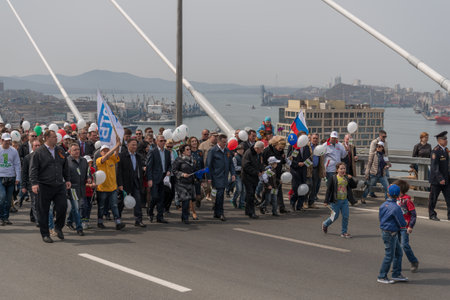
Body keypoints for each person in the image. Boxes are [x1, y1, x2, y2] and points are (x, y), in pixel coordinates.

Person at [30, 130, 71, 243]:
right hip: (44, 185)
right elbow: (33, 169)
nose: (56, 139)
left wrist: (67, 179)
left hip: (59, 185)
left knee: (62, 207)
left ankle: (58, 228)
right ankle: (45, 234)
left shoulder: (60, 150)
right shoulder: (39, 152)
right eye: (53, 137)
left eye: (56, 137)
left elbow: (65, 166)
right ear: (47, 138)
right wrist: (34, 183)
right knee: (44, 211)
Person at [377, 184, 408, 284]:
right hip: (391, 233)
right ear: (398, 195)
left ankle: (396, 273)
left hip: (385, 231)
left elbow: (380, 218)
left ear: (388, 194)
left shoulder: (383, 205)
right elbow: (402, 223)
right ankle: (382, 276)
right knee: (389, 255)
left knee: (398, 253)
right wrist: (405, 224)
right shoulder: (396, 208)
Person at [95, 136, 125, 230]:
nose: (106, 151)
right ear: (101, 152)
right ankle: (100, 221)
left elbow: (115, 154)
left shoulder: (112, 159)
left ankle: (118, 222)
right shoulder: (99, 160)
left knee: (114, 205)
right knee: (101, 206)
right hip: (102, 188)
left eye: (107, 150)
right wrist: (116, 145)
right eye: (104, 150)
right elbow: (106, 156)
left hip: (112, 187)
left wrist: (118, 145)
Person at [322, 162, 356, 238]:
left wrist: (351, 179)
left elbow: (354, 186)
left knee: (346, 216)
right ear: (337, 170)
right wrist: (326, 201)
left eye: (344, 168)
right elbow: (329, 190)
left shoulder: (346, 177)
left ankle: (344, 232)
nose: (343, 170)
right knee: (334, 217)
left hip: (345, 201)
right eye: (341, 169)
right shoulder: (333, 178)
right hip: (335, 201)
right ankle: (325, 224)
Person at [117, 138, 146, 227]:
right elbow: (119, 171)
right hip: (125, 183)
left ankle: (138, 220)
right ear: (128, 145)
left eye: (136, 145)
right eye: (132, 145)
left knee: (137, 200)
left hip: (136, 182)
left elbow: (140, 169)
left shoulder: (138, 156)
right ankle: (118, 219)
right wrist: (120, 184)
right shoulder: (122, 156)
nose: (134, 147)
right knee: (121, 202)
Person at [206, 134, 235, 221]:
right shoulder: (213, 151)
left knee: (219, 195)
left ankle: (216, 212)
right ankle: (220, 213)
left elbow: (231, 164)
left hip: (224, 176)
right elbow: (208, 165)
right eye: (223, 142)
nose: (225, 144)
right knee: (220, 194)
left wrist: (233, 174)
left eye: (226, 142)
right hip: (216, 176)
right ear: (218, 142)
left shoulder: (227, 151)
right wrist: (209, 177)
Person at [393, 179, 419, 273]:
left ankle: (414, 261)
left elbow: (414, 214)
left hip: (405, 227)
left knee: (404, 245)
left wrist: (411, 226)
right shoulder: (395, 199)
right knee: (395, 246)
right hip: (396, 226)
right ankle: (396, 266)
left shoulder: (407, 201)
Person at [146, 135, 171, 223]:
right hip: (154, 177)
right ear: (156, 141)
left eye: (164, 140)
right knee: (155, 197)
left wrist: (168, 171)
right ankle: (150, 212)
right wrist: (149, 179)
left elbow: (169, 165)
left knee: (161, 198)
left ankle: (159, 216)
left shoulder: (167, 152)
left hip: (163, 177)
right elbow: (149, 166)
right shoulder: (152, 151)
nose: (163, 142)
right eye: (161, 141)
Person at [172, 144, 199, 224]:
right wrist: (182, 174)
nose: (189, 150)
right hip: (181, 183)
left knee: (190, 199)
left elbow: (195, 169)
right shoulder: (179, 160)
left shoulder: (192, 159)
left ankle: (184, 217)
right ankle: (185, 217)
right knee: (186, 199)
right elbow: (174, 170)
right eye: (187, 149)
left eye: (189, 149)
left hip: (190, 182)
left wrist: (199, 174)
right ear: (183, 151)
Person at [262, 136, 289, 213]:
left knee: (278, 190)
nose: (281, 149)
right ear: (275, 144)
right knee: (267, 192)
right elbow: (263, 162)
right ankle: (264, 206)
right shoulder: (267, 150)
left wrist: (285, 159)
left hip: (278, 173)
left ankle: (281, 207)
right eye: (280, 148)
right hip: (269, 174)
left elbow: (282, 161)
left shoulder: (281, 151)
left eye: (282, 148)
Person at [66, 143, 87, 236]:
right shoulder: (66, 161)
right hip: (72, 188)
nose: (77, 151)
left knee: (76, 207)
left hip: (81, 188)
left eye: (78, 149)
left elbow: (87, 172)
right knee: (76, 208)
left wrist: (89, 178)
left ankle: (69, 221)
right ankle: (79, 228)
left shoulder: (84, 160)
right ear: (70, 151)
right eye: (74, 150)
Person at [428, 131, 450, 221]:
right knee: (433, 198)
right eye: (444, 139)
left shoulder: (446, 150)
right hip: (437, 180)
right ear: (439, 140)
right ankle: (432, 214)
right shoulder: (435, 151)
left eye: (446, 139)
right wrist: (440, 178)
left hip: (447, 179)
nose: (446, 140)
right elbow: (434, 167)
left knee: (449, 198)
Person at [0, 133, 21, 226]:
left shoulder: (13, 151)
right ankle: (1, 217)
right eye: (6, 141)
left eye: (9, 140)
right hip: (1, 177)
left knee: (8, 200)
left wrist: (18, 177)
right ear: (2, 140)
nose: (8, 142)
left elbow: (17, 164)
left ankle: (6, 217)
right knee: (2, 197)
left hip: (11, 177)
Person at [288, 133, 311, 211]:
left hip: (303, 171)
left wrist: (305, 163)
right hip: (295, 171)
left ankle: (299, 205)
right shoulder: (292, 147)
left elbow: (310, 159)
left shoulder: (307, 147)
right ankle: (292, 202)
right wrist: (297, 164)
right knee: (295, 188)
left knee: (303, 188)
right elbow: (289, 160)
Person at [241, 141, 264, 219]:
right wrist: (256, 172)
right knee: (250, 194)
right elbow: (245, 165)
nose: (262, 151)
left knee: (250, 194)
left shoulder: (259, 154)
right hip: (247, 176)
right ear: (257, 148)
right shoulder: (249, 153)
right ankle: (251, 212)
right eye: (261, 149)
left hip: (255, 177)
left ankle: (247, 210)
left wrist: (261, 170)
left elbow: (261, 163)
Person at [21, 140, 41, 225]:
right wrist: (23, 186)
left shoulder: (43, 156)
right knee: (35, 201)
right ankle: (38, 220)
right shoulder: (27, 158)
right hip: (31, 183)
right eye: (35, 145)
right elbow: (24, 172)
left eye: (39, 145)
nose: (37, 147)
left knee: (37, 201)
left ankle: (32, 216)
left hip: (41, 183)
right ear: (32, 147)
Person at [308, 133, 326, 208]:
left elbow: (322, 158)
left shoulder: (319, 147)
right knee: (309, 185)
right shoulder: (308, 147)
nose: (315, 140)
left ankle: (311, 202)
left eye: (316, 138)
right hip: (308, 169)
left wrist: (323, 169)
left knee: (314, 186)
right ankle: (305, 201)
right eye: (314, 138)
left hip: (316, 169)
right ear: (311, 139)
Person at [188, 136, 204, 212]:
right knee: (191, 194)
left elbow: (202, 164)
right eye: (192, 141)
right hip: (190, 175)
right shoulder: (188, 152)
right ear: (190, 143)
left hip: (199, 174)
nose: (194, 142)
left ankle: (198, 201)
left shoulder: (200, 152)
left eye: (195, 141)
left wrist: (203, 177)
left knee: (198, 194)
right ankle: (192, 209)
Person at [231, 144, 246, 209]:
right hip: (238, 175)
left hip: (244, 175)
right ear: (237, 150)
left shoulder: (244, 157)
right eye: (239, 149)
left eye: (242, 149)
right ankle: (234, 199)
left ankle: (241, 204)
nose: (241, 151)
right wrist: (242, 168)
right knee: (239, 189)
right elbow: (235, 167)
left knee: (244, 190)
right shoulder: (235, 158)